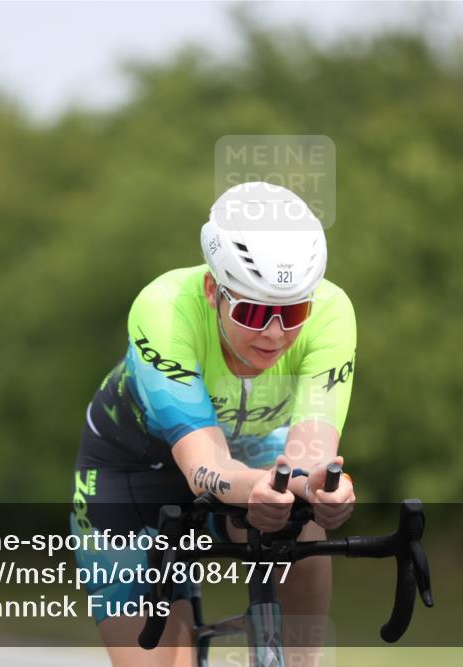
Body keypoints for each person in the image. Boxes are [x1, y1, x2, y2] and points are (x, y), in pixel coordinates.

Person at [72, 181, 357, 666]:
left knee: (304, 534)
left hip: (249, 452)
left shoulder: (331, 313)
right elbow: (204, 462)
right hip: (134, 472)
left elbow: (311, 451)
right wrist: (259, 489)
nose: (274, 333)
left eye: (292, 313)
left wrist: (322, 490)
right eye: (252, 311)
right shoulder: (164, 308)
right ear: (213, 291)